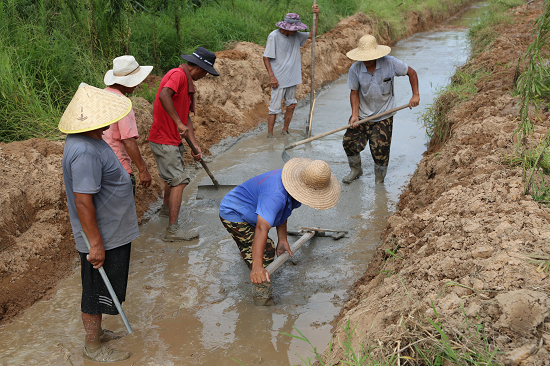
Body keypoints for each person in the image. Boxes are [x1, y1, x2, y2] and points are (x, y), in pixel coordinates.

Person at [60, 83, 139, 362]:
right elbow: (83, 201)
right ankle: (92, 347)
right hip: (103, 236)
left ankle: (99, 332)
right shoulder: (84, 151)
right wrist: (95, 244)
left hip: (112, 232)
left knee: (105, 289)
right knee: (94, 291)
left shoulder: (92, 140)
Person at [219, 158, 340, 302]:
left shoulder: (292, 184)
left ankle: (249, 250)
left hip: (251, 209)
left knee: (257, 243)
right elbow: (261, 228)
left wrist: (282, 239)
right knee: (267, 251)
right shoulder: (275, 195)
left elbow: (283, 211)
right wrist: (257, 266)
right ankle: (261, 297)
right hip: (234, 213)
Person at [148, 47, 219, 241]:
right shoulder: (178, 75)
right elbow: (164, 95)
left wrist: (194, 145)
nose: (204, 77)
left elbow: (185, 116)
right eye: (205, 73)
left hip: (172, 139)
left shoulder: (187, 84)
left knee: (172, 180)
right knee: (180, 181)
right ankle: (172, 231)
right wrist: (177, 123)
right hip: (164, 139)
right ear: (200, 69)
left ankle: (165, 212)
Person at [343, 34, 420, 184]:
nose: (366, 60)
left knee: (380, 150)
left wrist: (415, 95)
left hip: (384, 115)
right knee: (349, 142)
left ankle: (379, 179)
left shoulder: (390, 63)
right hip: (363, 114)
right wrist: (355, 115)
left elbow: (412, 73)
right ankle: (356, 170)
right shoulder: (356, 69)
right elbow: (354, 92)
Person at [263, 5, 319, 137]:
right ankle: (270, 135)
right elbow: (266, 57)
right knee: (274, 109)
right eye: (295, 28)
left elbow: (313, 34)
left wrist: (317, 16)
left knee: (291, 105)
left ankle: (285, 130)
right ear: (286, 27)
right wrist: (272, 77)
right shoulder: (274, 36)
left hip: (292, 78)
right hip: (279, 79)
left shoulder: (296, 36)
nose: (297, 31)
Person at [103, 55, 154, 195]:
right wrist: (143, 170)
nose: (138, 84)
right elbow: (128, 140)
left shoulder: (100, 97)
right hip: (118, 167)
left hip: (99, 166)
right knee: (123, 211)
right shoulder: (123, 103)